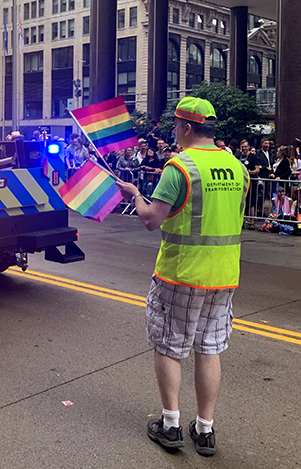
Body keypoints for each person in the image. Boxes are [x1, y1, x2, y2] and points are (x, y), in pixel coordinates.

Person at [116, 97, 249, 457]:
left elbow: (150, 219)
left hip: (182, 273)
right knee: (209, 348)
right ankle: (205, 431)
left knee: (170, 346)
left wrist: (135, 194)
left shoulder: (181, 167)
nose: (175, 133)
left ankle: (171, 425)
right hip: (223, 275)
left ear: (187, 128)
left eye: (176, 126)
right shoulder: (237, 167)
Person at [238, 139, 261, 229]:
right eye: (242, 147)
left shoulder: (253, 157)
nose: (244, 148)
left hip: (251, 182)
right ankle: (242, 220)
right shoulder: (238, 156)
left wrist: (249, 172)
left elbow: (257, 170)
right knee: (242, 201)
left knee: (251, 201)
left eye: (245, 146)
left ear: (248, 147)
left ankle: (252, 221)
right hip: (241, 182)